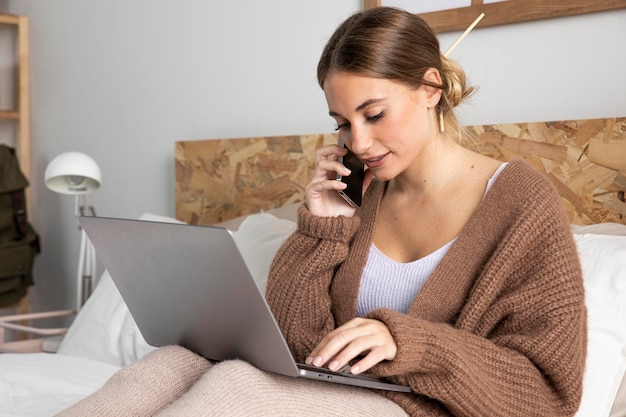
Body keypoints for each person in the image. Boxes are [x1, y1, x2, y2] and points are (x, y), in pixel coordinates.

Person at [58, 6, 586, 417]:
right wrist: (322, 229)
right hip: (343, 395)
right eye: (341, 122)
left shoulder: (522, 204)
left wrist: (406, 341)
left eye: (374, 114)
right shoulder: (358, 192)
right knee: (172, 362)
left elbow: (545, 395)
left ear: (431, 89)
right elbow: (296, 344)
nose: (358, 141)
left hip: (418, 409)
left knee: (236, 385)